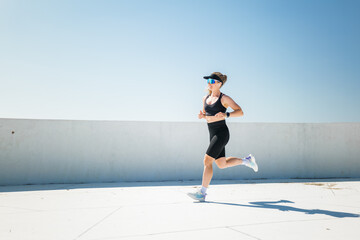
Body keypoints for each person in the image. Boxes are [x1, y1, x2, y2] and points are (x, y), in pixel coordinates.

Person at [187, 72, 258, 202]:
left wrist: (227, 115)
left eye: (212, 81)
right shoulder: (205, 99)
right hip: (212, 132)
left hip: (221, 133)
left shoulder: (224, 98)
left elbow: (240, 112)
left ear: (219, 84)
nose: (209, 83)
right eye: (208, 81)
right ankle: (247, 161)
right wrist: (203, 116)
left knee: (207, 161)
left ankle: (202, 193)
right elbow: (207, 116)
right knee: (222, 164)